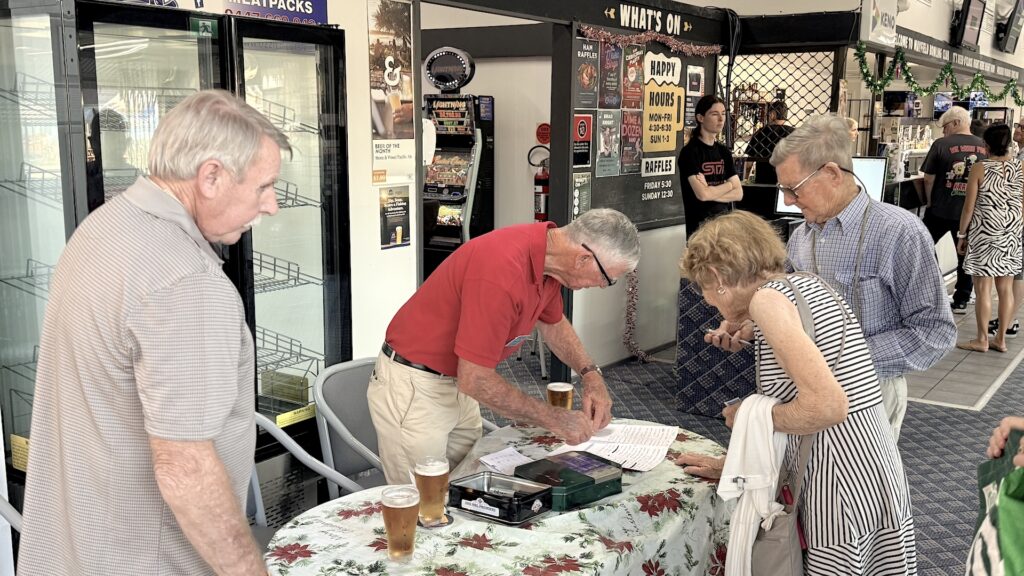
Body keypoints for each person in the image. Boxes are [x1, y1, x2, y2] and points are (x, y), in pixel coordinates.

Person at [19, 90, 285, 576]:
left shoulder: (104, 226)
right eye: (264, 186)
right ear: (211, 176)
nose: (272, 206)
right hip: (147, 558)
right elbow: (185, 467)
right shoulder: (187, 283)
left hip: (75, 548)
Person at [676, 211, 917, 575]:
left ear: (716, 277)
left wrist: (750, 417)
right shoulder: (807, 284)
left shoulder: (766, 302)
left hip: (834, 481)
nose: (708, 300)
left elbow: (827, 406)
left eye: (703, 288)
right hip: (871, 468)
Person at [710, 115, 955, 442]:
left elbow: (935, 332)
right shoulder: (801, 237)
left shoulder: (899, 233)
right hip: (801, 386)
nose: (787, 201)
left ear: (832, 174)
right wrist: (753, 329)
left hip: (869, 388)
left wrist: (845, 354)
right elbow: (796, 313)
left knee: (855, 485)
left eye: (793, 189)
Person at [368, 208, 640, 484]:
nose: (602, 286)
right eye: (608, 279)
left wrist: (591, 374)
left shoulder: (548, 263)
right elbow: (475, 379)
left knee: (468, 488)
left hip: (457, 383)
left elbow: (554, 323)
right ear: (584, 258)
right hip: (418, 386)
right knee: (423, 504)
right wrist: (554, 418)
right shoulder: (502, 269)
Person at [955, 123, 1023, 352]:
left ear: (986, 145)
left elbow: (968, 207)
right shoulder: (1020, 168)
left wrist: (962, 234)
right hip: (1011, 233)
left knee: (983, 288)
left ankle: (982, 339)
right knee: (1005, 289)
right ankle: (1001, 340)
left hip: (985, 232)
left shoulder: (980, 168)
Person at [922, 105, 988, 314]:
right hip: (970, 212)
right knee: (965, 254)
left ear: (957, 123)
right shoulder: (984, 146)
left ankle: (930, 291)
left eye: (945, 126)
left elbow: (928, 179)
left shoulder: (941, 145)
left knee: (922, 244)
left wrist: (929, 201)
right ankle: (961, 298)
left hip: (940, 208)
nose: (944, 131)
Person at [678, 94, 742, 239]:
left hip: (725, 229)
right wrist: (728, 186)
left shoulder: (724, 152)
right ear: (700, 118)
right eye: (714, 114)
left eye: (723, 114)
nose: (721, 119)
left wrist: (711, 191)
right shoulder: (689, 153)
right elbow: (702, 194)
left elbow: (739, 193)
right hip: (700, 232)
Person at [986, 120, 1024, 341]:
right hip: (1014, 222)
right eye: (1018, 126)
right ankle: (1007, 320)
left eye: (1022, 127)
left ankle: (1008, 321)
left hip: (1015, 223)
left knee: (1015, 274)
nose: (1017, 130)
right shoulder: (1018, 158)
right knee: (1013, 274)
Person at [744, 100, 794, 185]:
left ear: (772, 114)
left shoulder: (761, 132)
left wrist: (745, 180)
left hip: (763, 184)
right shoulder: (794, 133)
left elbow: (748, 164)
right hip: (787, 185)